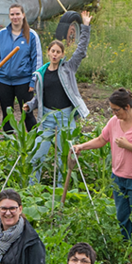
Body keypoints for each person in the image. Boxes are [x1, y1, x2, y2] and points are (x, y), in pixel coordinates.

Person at [25, 11, 92, 182]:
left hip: (65, 116)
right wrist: (30, 105)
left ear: (62, 55)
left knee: (65, 155)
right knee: (38, 153)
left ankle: (64, 188)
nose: (55, 54)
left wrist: (85, 26)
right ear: (48, 53)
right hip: (46, 116)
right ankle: (33, 189)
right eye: (52, 51)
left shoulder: (68, 68)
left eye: (58, 52)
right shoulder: (41, 74)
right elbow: (39, 97)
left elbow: (81, 50)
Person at [73, 88, 132, 240]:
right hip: (118, 177)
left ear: (127, 107)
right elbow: (102, 140)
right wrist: (81, 146)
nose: (114, 113)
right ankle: (125, 248)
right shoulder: (114, 122)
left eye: (116, 110)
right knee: (122, 217)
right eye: (112, 109)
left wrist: (128, 145)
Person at [0, 3, 42, 132]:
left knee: (27, 113)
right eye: (12, 14)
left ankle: (34, 143)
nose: (15, 17)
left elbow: (37, 61)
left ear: (23, 15)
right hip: (3, 81)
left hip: (24, 82)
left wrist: (34, 81)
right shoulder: (1, 35)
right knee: (7, 115)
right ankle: (9, 145)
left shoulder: (32, 35)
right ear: (9, 16)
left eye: (17, 14)